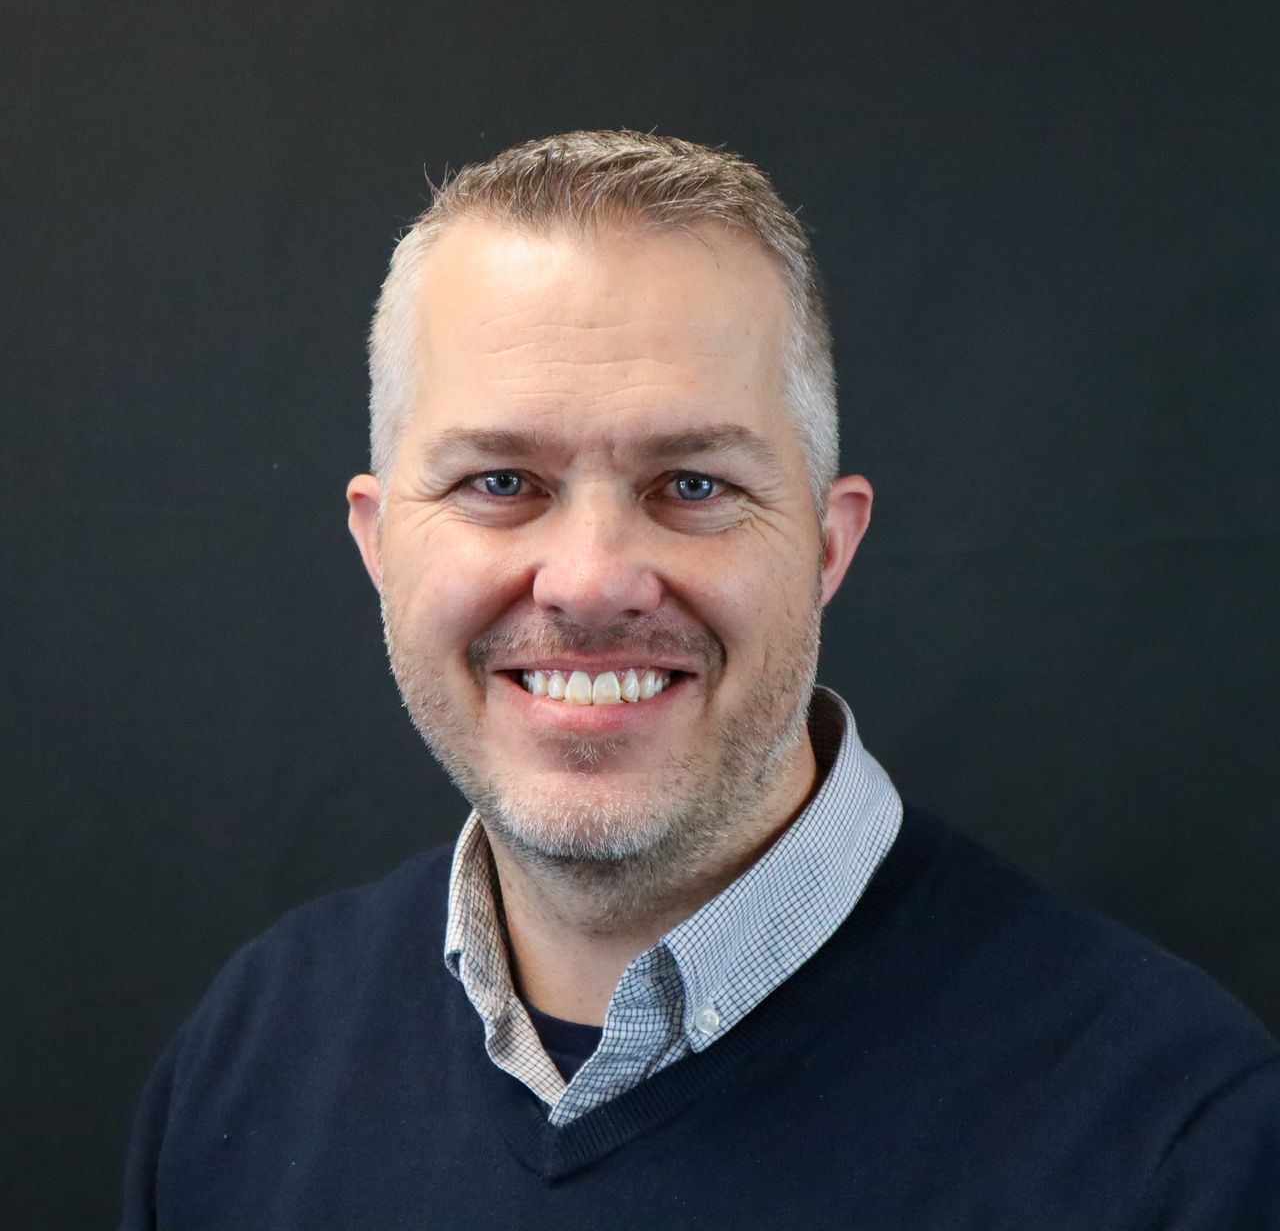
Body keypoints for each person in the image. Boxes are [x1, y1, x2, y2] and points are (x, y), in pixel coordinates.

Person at [121, 131, 1279, 1229]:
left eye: (690, 485)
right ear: (379, 545)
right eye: (497, 481)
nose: (588, 582)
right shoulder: (250, 1053)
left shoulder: (1176, 1132)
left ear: (827, 543)